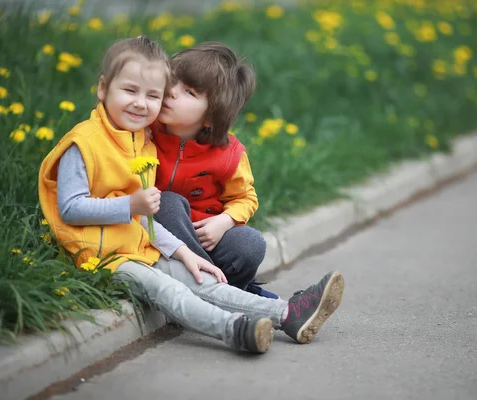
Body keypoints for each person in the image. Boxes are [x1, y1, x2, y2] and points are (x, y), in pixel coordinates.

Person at [38, 37, 345, 354]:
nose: (142, 103)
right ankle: (235, 329)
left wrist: (185, 253)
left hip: (143, 243)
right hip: (102, 256)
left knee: (201, 277)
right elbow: (72, 209)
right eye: (130, 91)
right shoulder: (89, 142)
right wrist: (132, 206)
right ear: (103, 89)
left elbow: (144, 219)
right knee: (170, 289)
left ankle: (288, 314)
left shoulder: (140, 141)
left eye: (152, 95)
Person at [150, 42, 277, 299]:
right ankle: (225, 292)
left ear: (210, 117)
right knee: (167, 202)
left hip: (206, 236)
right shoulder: (144, 130)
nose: (172, 93)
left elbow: (245, 198)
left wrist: (224, 221)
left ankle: (216, 288)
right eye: (172, 82)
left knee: (250, 243)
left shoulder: (229, 154)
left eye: (189, 92)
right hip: (160, 239)